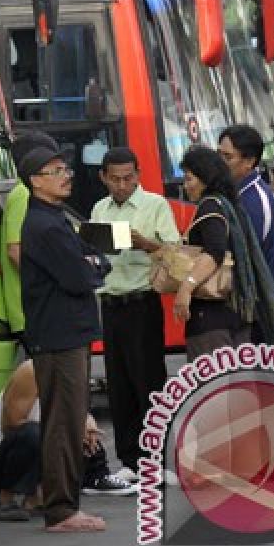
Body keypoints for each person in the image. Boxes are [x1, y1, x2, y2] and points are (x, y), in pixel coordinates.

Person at [17, 140, 107, 533]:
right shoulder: (44, 225)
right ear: (35, 181)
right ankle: (61, 509)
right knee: (63, 423)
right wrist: (93, 266)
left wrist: (93, 263)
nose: (66, 176)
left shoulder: (54, 218)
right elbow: (80, 276)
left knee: (66, 419)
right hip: (58, 334)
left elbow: (92, 262)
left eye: (64, 170)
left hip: (66, 332)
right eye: (55, 172)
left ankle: (62, 503)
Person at [90, 147, 179, 479]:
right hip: (111, 304)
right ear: (103, 178)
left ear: (138, 175)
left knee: (149, 383)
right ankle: (129, 461)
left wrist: (146, 244)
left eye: (128, 178)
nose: (122, 185)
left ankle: (159, 460)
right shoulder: (100, 208)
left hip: (142, 302)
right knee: (119, 387)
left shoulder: (155, 205)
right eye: (115, 179)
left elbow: (174, 252)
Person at [0, 360, 134, 523]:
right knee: (34, 433)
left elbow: (77, 414)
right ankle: (7, 500)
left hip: (39, 448)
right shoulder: (32, 371)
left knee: (82, 436)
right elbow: (11, 426)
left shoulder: (73, 378)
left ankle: (92, 479)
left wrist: (85, 423)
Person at [175, 146, 274, 358]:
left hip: (211, 318)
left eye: (190, 179)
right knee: (237, 386)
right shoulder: (229, 204)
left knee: (215, 387)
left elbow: (214, 252)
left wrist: (186, 287)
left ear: (205, 179)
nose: (186, 186)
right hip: (237, 311)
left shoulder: (209, 207)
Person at [218, 126, 274, 344]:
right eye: (218, 154)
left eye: (227, 157)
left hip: (257, 302)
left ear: (249, 162)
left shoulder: (254, 200)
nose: (220, 163)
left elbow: (245, 255)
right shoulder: (237, 192)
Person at [1, 132, 61, 351]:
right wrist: (53, 282)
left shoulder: (29, 193)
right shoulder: (23, 194)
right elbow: (15, 250)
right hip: (34, 309)